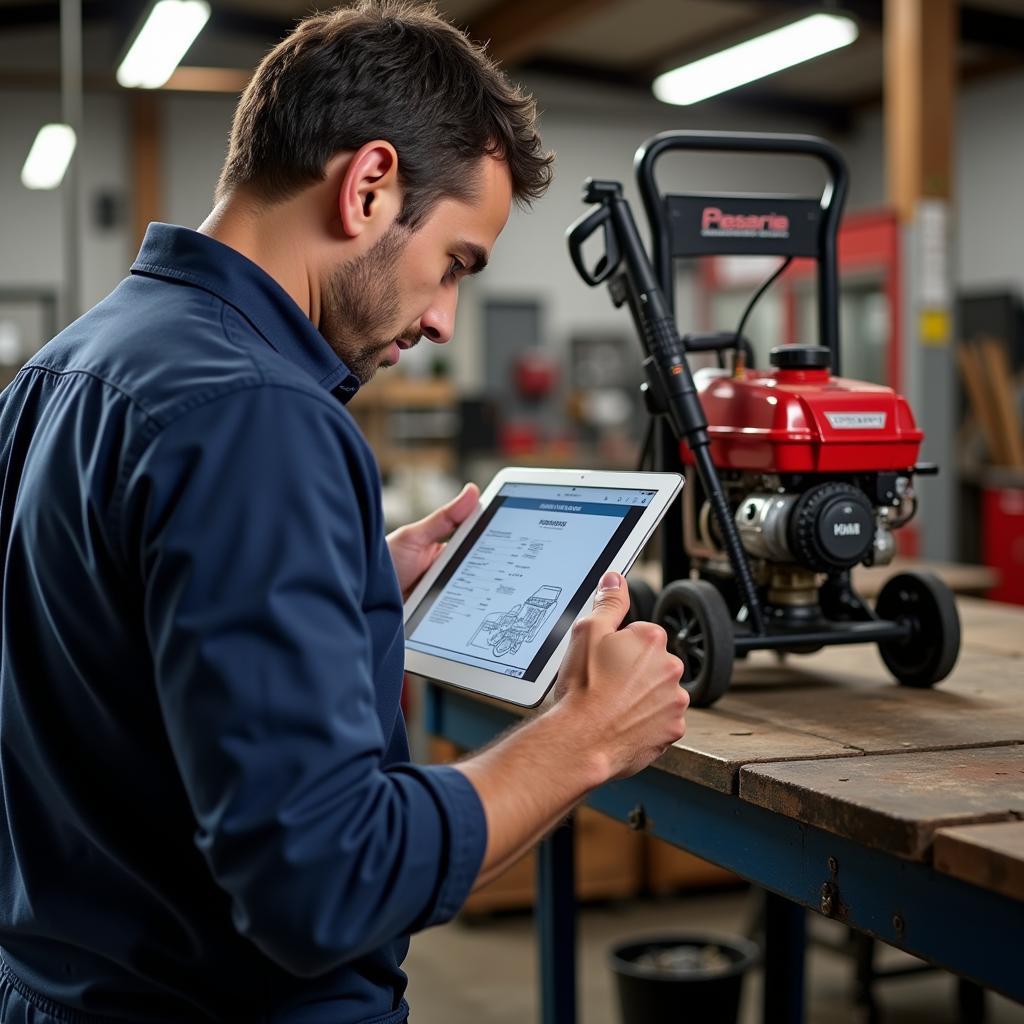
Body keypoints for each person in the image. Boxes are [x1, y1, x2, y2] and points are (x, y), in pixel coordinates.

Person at [0, 2, 688, 1021]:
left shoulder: (67, 368)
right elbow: (325, 879)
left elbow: (106, 658)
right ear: (368, 186)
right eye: (455, 262)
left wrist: (349, 577)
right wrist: (585, 734)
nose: (446, 315)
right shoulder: (257, 413)